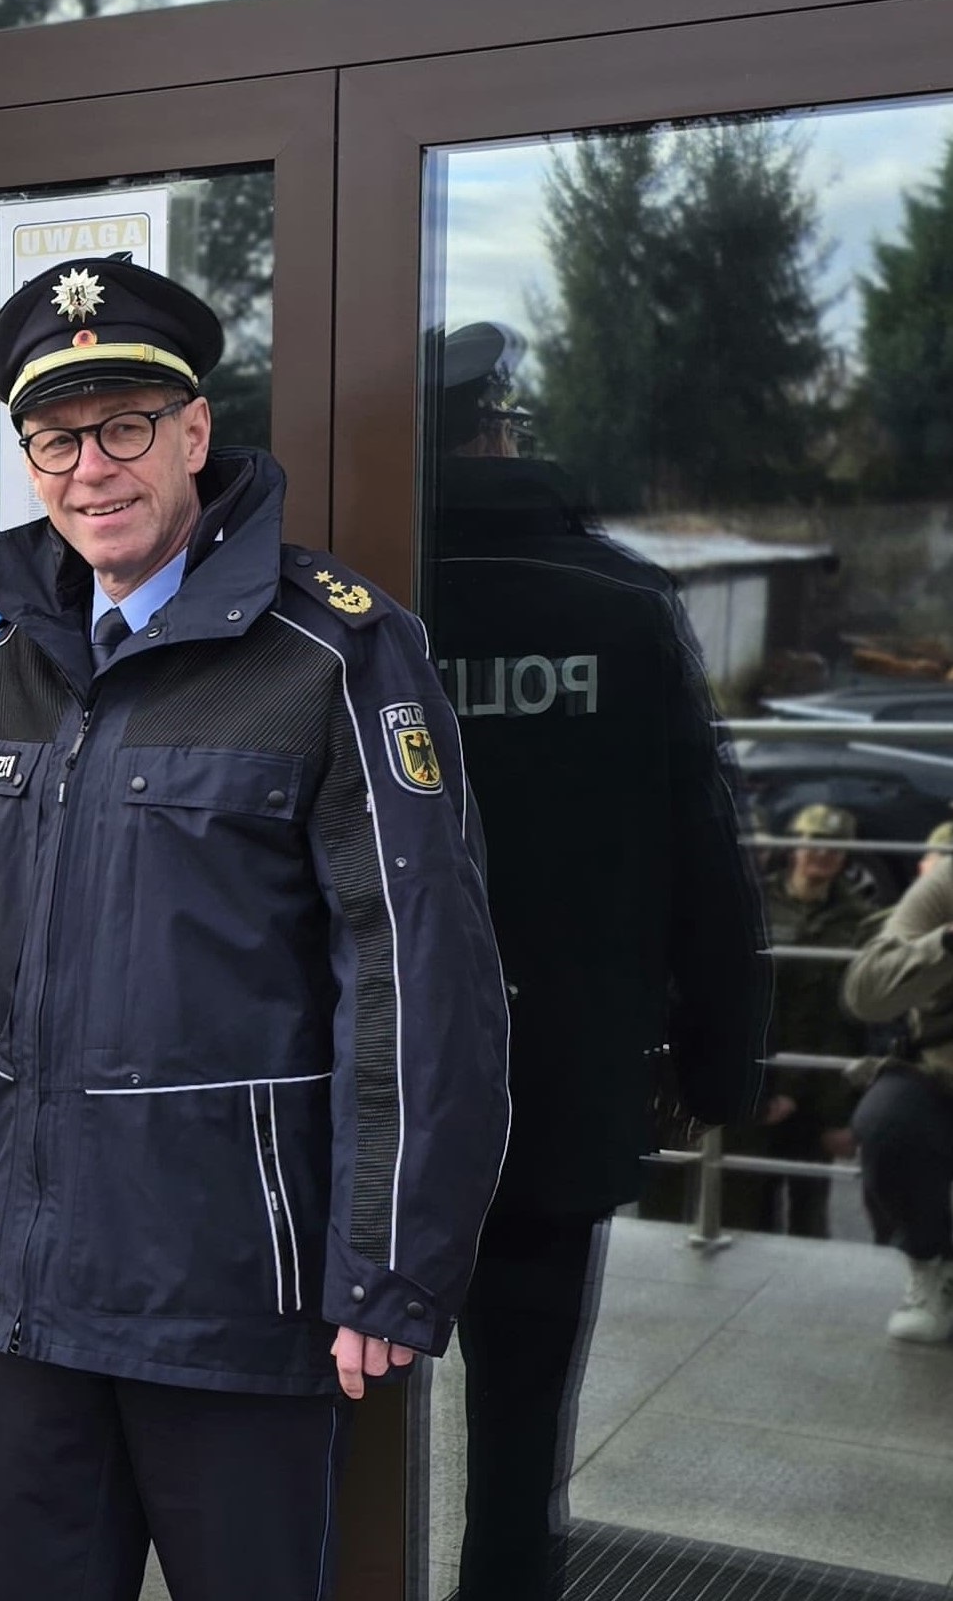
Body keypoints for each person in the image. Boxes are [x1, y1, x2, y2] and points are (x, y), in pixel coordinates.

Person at [0, 259, 512, 1601]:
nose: (89, 468)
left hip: (228, 1298)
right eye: (54, 439)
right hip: (34, 1295)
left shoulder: (331, 653)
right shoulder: (24, 663)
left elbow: (415, 972)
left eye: (122, 425)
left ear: (193, 431)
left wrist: (393, 1262)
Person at [426, 323, 768, 1601]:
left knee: (319, 1408)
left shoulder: (343, 602)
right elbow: (704, 845)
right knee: (519, 1430)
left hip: (364, 1085)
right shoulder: (621, 605)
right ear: (492, 431)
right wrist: (722, 1059)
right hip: (558, 1081)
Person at [725, 803, 869, 1235]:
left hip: (821, 1090)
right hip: (762, 1083)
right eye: (813, 843)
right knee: (749, 1210)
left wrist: (845, 1115)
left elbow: (854, 1025)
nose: (822, 854)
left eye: (834, 847)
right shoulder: (755, 904)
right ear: (794, 847)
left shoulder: (860, 921)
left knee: (810, 1210)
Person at [842, 821, 953, 1341]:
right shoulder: (947, 881)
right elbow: (865, 994)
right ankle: (930, 1264)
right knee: (889, 1123)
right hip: (941, 1075)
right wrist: (945, 943)